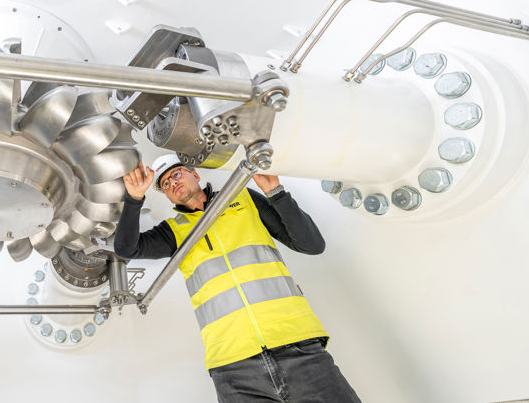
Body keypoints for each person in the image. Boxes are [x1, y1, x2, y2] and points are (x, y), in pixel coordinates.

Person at [114, 154, 359, 402]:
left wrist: (277, 193)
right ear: (167, 196)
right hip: (233, 367)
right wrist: (134, 199)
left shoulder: (243, 198)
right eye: (165, 184)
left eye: (176, 174)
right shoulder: (173, 232)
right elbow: (127, 248)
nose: (172, 183)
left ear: (194, 175)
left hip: (297, 346)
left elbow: (312, 245)